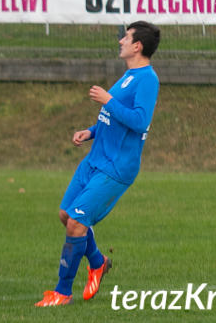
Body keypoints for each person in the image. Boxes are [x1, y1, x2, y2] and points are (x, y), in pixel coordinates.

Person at [35, 21, 161, 306]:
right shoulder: (129, 76)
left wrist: (107, 99)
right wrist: (90, 131)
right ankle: (98, 262)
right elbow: (114, 118)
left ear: (137, 45)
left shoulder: (148, 80)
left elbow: (140, 121)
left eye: (125, 38)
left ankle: (62, 293)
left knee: (77, 223)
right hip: (96, 158)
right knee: (66, 215)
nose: (120, 42)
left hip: (116, 167)